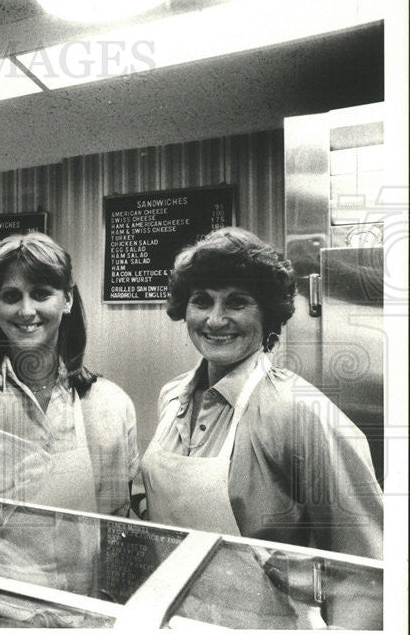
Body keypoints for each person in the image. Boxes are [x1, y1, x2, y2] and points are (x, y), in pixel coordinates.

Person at [140, 226, 383, 559]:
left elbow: (364, 561)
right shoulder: (171, 397)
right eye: (202, 301)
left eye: (237, 303)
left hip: (269, 611)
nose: (215, 319)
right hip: (171, 602)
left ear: (267, 314)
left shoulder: (301, 412)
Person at [0, 232, 139, 516]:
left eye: (41, 294)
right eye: (11, 296)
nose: (26, 311)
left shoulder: (113, 404)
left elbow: (121, 516)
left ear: (67, 301)